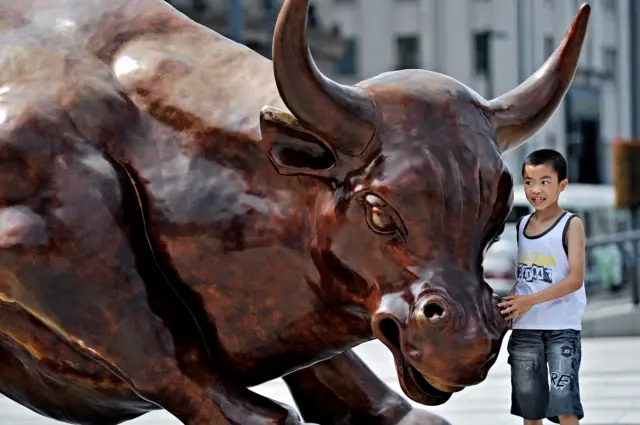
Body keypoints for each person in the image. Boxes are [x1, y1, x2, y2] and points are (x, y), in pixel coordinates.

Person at [498, 149, 587, 425]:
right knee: (530, 409)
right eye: (528, 181)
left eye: (544, 181)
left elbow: (575, 279)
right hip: (525, 329)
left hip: (562, 327)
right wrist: (515, 297)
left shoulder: (571, 225)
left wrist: (530, 300)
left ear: (562, 185)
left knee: (565, 404)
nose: (535, 189)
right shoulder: (522, 224)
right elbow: (527, 276)